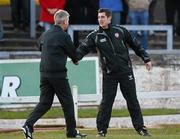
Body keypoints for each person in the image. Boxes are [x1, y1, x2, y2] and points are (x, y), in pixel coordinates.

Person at [76, 8, 152, 137]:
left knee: (132, 100)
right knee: (106, 102)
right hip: (109, 74)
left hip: (125, 71)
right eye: (99, 17)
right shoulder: (95, 35)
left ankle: (141, 128)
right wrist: (75, 58)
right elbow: (83, 48)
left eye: (103, 17)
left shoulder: (120, 31)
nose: (100, 19)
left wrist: (146, 58)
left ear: (109, 18)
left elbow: (136, 44)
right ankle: (101, 130)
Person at [21, 10, 87, 139]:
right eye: (68, 21)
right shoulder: (64, 36)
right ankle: (71, 132)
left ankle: (28, 125)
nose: (68, 23)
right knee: (68, 103)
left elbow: (39, 46)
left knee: (45, 103)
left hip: (44, 73)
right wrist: (78, 56)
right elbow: (74, 54)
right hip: (57, 74)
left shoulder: (45, 33)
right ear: (64, 22)